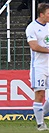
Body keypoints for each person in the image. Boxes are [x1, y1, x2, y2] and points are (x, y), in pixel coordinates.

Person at [26, 3, 49, 131]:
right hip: (39, 67)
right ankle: (40, 124)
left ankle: (41, 114)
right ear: (41, 14)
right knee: (40, 94)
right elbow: (34, 46)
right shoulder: (32, 28)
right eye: (48, 14)